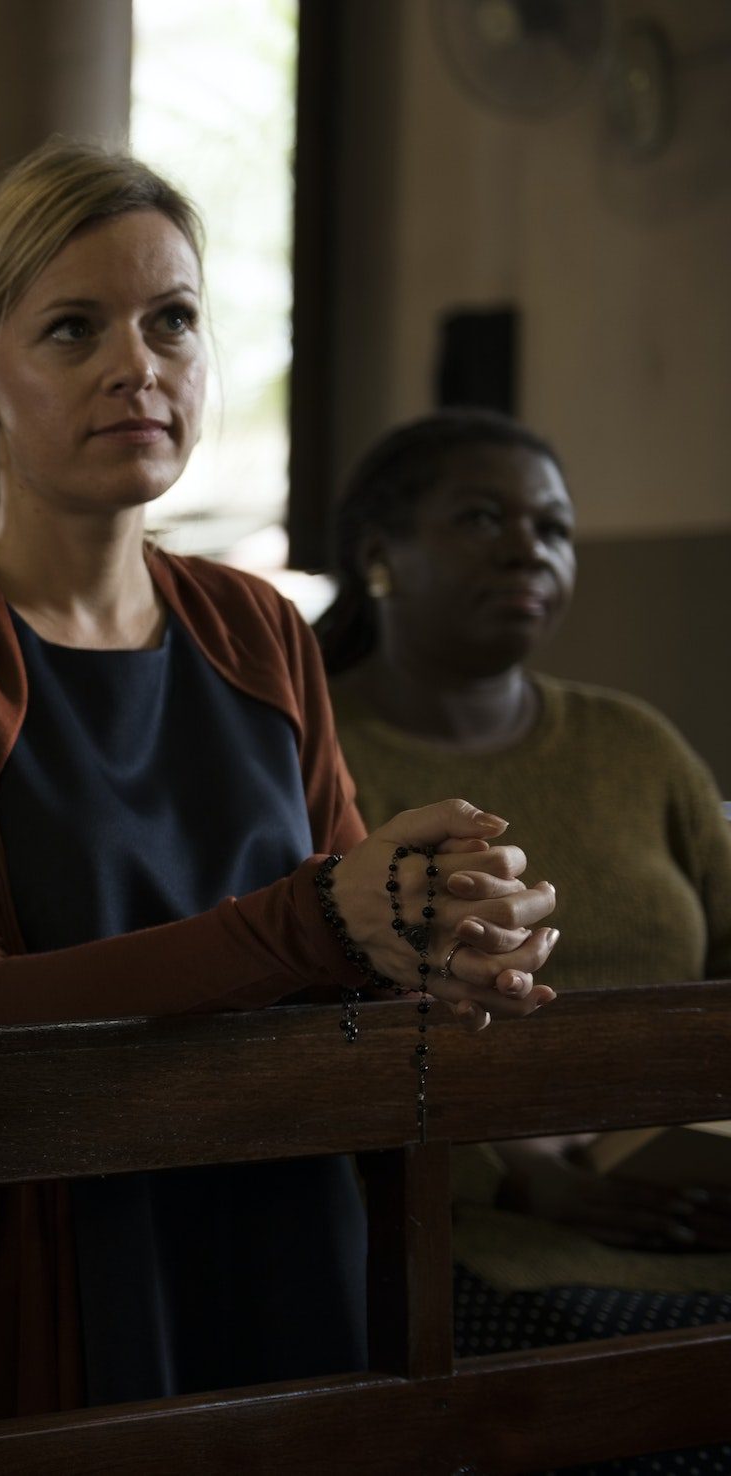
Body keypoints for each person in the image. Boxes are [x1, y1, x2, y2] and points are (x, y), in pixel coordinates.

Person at [0, 141, 561, 1439]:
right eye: (75, 328)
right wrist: (322, 921)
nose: (135, 366)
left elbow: (351, 938)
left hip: (279, 1208)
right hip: (35, 1230)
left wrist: (449, 930)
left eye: (173, 322)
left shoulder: (259, 628)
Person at [317, 410, 731, 1427]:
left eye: (551, 527)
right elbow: (303, 1021)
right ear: (379, 555)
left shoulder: (631, 743)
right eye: (479, 518)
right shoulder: (314, 749)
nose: (525, 547)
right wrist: (505, 1172)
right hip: (457, 1225)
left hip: (690, 1203)